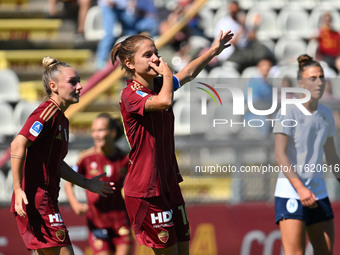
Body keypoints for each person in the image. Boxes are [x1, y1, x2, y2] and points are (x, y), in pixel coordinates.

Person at [111, 31, 233, 255]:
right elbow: (164, 101)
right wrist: (167, 76)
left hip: (167, 183)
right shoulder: (130, 94)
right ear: (129, 62)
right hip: (147, 188)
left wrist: (214, 50)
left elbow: (187, 73)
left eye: (156, 53)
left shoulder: (158, 83)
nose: (156, 58)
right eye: (147, 55)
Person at [10, 56, 115, 255]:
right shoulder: (47, 112)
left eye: (79, 81)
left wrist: (86, 183)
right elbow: (18, 144)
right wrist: (17, 188)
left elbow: (56, 163)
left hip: (45, 199)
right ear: (54, 86)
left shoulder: (61, 119)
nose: (80, 86)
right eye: (73, 82)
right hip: (35, 200)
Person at [273, 54, 340, 255]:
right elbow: (280, 155)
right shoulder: (289, 111)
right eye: (313, 78)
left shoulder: (327, 114)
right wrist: (301, 189)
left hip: (318, 192)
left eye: (321, 77)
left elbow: (331, 156)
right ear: (301, 83)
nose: (319, 82)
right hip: (292, 192)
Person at [64, 113, 132, 255]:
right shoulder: (85, 158)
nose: (96, 135)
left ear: (112, 132)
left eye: (100, 130)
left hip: (121, 220)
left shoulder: (124, 159)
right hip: (97, 222)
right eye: (94, 131)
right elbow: (68, 183)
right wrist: (75, 205)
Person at [95, 0, 136, 70]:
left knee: (131, 34)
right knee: (109, 35)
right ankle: (100, 62)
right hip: (109, 6)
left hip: (123, 7)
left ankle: (132, 58)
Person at [244, 58, 275, 137]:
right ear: (259, 67)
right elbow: (253, 101)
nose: (267, 68)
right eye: (264, 65)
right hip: (254, 116)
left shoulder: (270, 85)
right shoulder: (254, 82)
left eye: (269, 66)